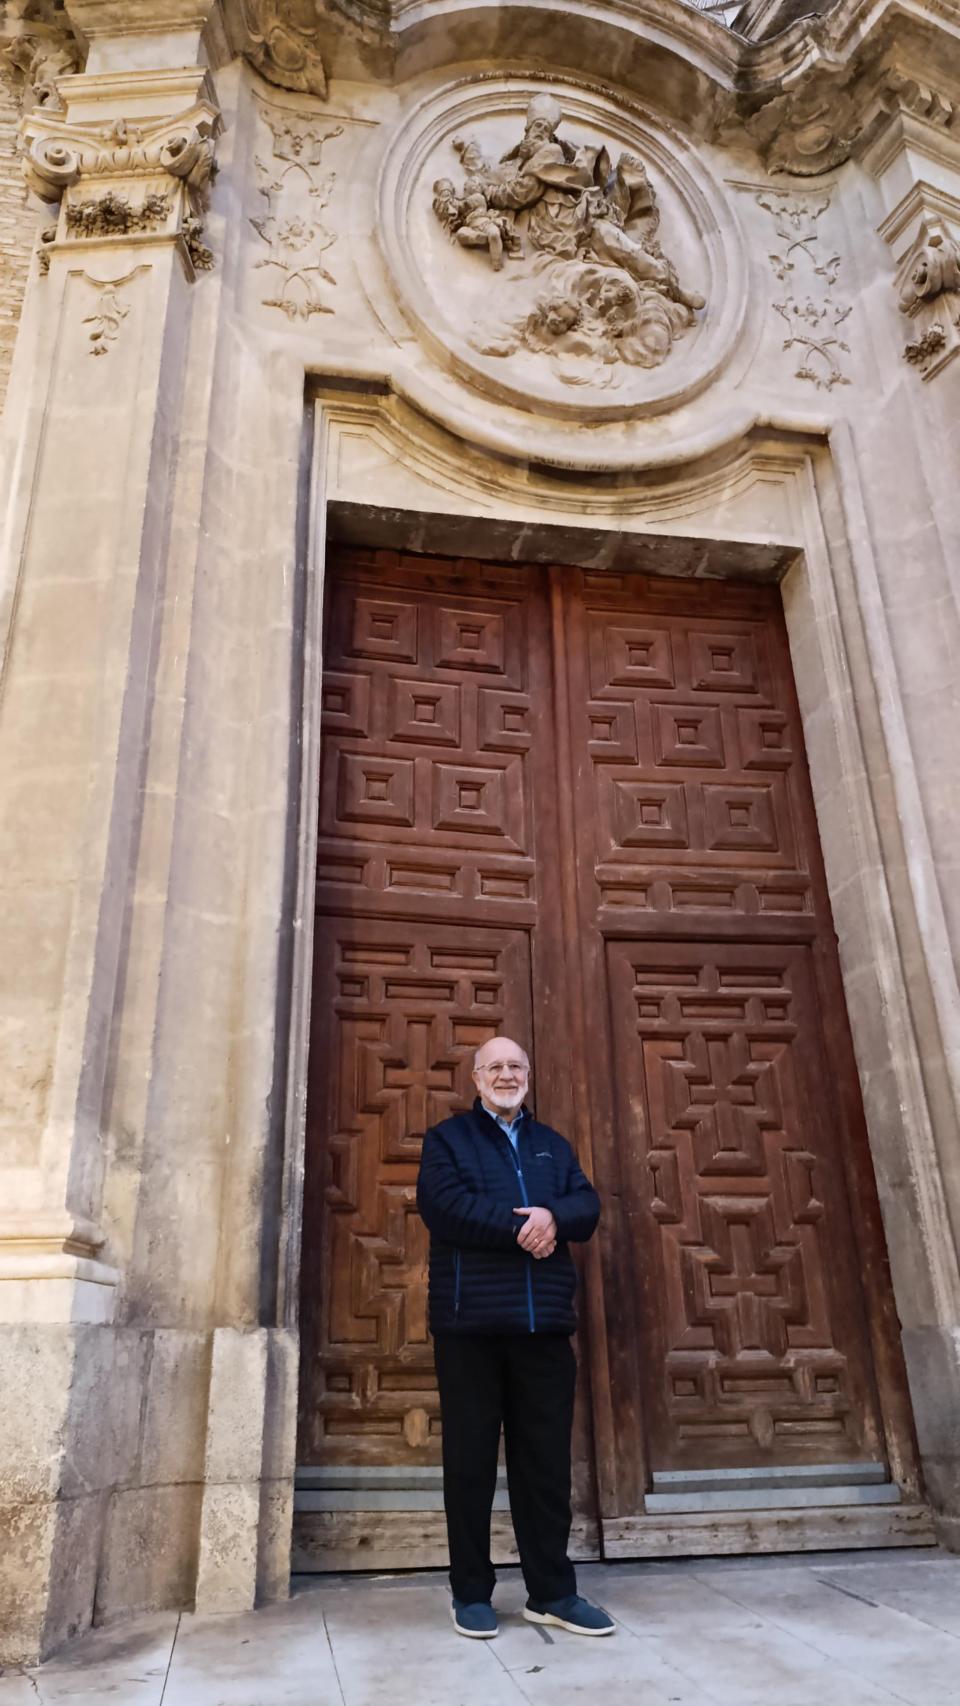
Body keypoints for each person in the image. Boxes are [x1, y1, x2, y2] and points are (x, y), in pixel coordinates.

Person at [416, 1036, 615, 1640]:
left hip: (544, 1329)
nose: (507, 1075)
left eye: (517, 1066)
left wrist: (556, 1218)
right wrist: (523, 1228)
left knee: (545, 1467)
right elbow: (443, 1207)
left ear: (529, 1074)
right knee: (470, 1464)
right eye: (495, 1067)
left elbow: (586, 1204)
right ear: (476, 1079)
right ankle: (471, 1592)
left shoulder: (552, 1145)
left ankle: (552, 1592)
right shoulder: (447, 1140)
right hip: (470, 1327)